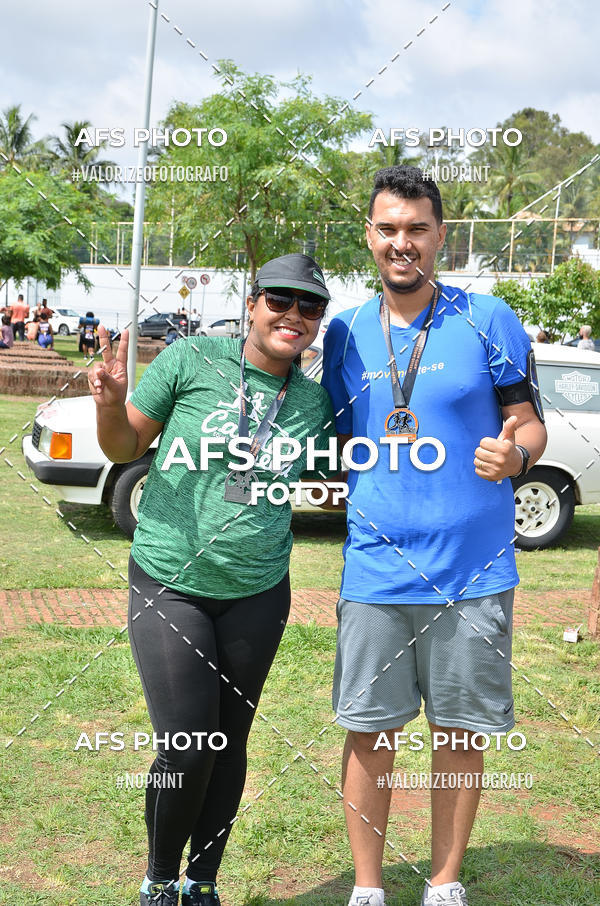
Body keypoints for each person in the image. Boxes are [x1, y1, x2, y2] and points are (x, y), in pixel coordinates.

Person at [322, 166, 547, 906]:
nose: (402, 243)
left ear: (440, 236)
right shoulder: (345, 332)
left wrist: (517, 454)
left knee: (459, 732)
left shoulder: (488, 317)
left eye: (417, 228)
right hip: (375, 571)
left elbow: (528, 419)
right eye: (388, 228)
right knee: (369, 733)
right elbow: (327, 432)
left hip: (472, 571)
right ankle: (367, 888)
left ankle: (445, 882)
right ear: (370, 236)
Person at [88, 253, 334, 906]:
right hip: (171, 580)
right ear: (253, 303)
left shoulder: (313, 402)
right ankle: (160, 877)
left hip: (257, 590)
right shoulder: (191, 359)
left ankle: (203, 881)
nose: (294, 315)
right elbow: (122, 448)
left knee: (229, 745)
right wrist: (111, 406)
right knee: (188, 744)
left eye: (310, 306)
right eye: (280, 300)